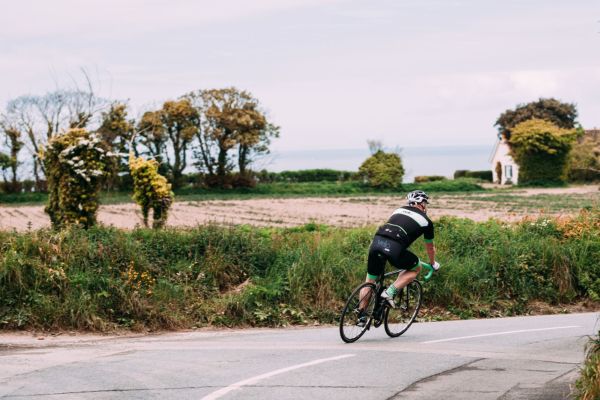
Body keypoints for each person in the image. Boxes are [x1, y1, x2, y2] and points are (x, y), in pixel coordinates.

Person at [357, 190, 440, 326]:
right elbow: (430, 248)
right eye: (425, 203)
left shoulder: (398, 210)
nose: (425, 206)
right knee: (415, 268)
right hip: (395, 248)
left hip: (377, 242)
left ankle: (361, 316)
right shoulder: (426, 222)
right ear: (421, 204)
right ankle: (389, 293)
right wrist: (432, 263)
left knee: (370, 281)